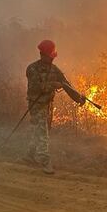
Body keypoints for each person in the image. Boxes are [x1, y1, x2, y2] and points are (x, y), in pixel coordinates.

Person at [24, 39, 85, 175]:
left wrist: (78, 98)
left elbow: (66, 85)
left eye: (53, 57)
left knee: (38, 131)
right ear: (42, 55)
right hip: (36, 105)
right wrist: (54, 85)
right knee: (43, 133)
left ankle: (29, 156)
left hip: (47, 106)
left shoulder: (54, 69)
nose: (52, 59)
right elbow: (37, 87)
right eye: (49, 56)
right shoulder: (32, 69)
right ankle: (45, 162)